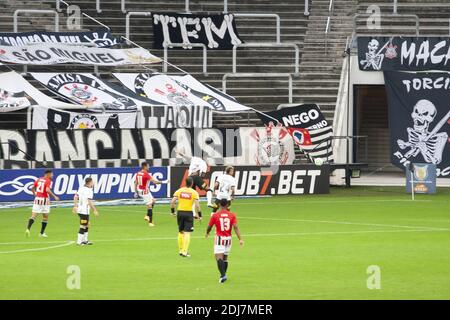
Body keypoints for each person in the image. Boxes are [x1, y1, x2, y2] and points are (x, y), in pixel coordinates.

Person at [206, 198, 244, 283]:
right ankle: (223, 275)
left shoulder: (215, 215)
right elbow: (236, 227)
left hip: (220, 239)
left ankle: (223, 275)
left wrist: (207, 233)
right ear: (227, 205)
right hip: (228, 239)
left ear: (219, 205)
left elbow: (209, 226)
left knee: (219, 258)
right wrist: (240, 239)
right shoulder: (232, 215)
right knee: (225, 258)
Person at [170, 177, 201, 258]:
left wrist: (173, 211)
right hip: (188, 213)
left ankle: (180, 250)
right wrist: (200, 215)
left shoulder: (179, 190)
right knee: (187, 233)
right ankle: (185, 252)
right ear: (191, 183)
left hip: (180, 212)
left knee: (180, 232)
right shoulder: (194, 192)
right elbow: (197, 205)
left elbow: (172, 202)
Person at [176, 150, 214, 215]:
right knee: (209, 189)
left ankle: (193, 213)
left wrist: (181, 153)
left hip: (189, 178)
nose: (207, 158)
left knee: (193, 196)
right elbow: (202, 174)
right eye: (206, 157)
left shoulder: (194, 158)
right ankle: (209, 202)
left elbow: (187, 157)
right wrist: (199, 181)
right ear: (204, 156)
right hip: (196, 177)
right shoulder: (203, 163)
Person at [25, 169, 60, 238]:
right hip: (45, 200)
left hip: (37, 199)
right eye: (52, 174)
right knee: (45, 217)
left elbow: (32, 188)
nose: (52, 175)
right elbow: (47, 190)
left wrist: (35, 194)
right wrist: (54, 196)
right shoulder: (48, 181)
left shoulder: (39, 179)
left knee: (33, 215)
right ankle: (41, 233)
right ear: (48, 174)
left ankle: (28, 229)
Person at [134, 162, 168, 227]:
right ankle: (150, 222)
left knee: (153, 201)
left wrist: (135, 192)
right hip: (145, 192)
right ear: (145, 167)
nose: (149, 167)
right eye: (148, 166)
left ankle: (147, 215)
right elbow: (155, 182)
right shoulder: (146, 174)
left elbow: (136, 182)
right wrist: (164, 181)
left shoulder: (138, 173)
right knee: (149, 206)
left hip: (142, 190)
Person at [73, 177, 99, 246]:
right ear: (90, 182)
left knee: (87, 224)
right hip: (84, 211)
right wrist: (95, 210)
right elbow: (89, 202)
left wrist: (75, 206)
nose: (93, 183)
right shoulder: (90, 191)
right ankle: (79, 242)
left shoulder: (81, 188)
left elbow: (75, 197)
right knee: (83, 225)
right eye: (92, 182)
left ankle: (85, 240)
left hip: (79, 210)